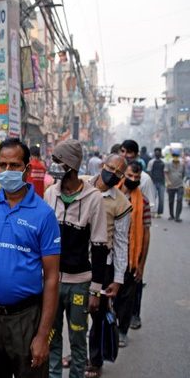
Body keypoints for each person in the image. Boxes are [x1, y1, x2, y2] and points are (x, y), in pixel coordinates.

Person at [0, 138, 60, 378]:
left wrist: (42, 335)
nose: (8, 171)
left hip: (27, 318)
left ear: (27, 169)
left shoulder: (44, 215)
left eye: (14, 165)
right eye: (3, 165)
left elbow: (51, 278)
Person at [44, 139, 109, 378]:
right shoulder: (50, 194)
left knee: (78, 339)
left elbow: (100, 246)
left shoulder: (94, 199)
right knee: (51, 337)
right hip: (51, 282)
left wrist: (96, 291)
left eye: (57, 161)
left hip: (80, 284)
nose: (53, 165)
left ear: (70, 165)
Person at [84, 154, 131, 378]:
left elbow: (121, 242)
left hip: (103, 266)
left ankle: (95, 360)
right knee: (74, 311)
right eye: (111, 168)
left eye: (119, 173)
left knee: (98, 314)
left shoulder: (121, 203)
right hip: (76, 261)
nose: (113, 174)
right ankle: (77, 352)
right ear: (103, 165)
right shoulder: (82, 184)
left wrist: (118, 279)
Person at [116, 161, 151, 346]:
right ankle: (105, 329)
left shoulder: (143, 202)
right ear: (123, 175)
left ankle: (122, 331)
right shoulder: (112, 195)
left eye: (136, 177)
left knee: (126, 297)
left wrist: (141, 265)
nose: (133, 179)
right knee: (107, 295)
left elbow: (145, 234)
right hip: (110, 254)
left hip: (131, 257)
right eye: (130, 175)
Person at [119, 140, 156, 212]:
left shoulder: (145, 178)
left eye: (129, 152)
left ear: (136, 155)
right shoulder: (115, 173)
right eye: (122, 151)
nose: (124, 155)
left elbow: (150, 207)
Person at [165, 148, 185, 222]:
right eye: (174, 156)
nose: (175, 157)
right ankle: (171, 215)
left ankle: (177, 216)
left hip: (180, 185)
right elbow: (166, 173)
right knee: (171, 201)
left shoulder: (182, 164)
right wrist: (168, 181)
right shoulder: (168, 163)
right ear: (172, 156)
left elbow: (183, 174)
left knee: (179, 200)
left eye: (177, 156)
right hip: (171, 185)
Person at [147, 147, 166, 218]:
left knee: (161, 199)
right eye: (156, 152)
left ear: (160, 153)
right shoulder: (151, 162)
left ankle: (159, 213)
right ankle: (153, 212)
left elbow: (165, 172)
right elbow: (149, 171)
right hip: (153, 182)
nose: (157, 153)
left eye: (158, 152)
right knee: (153, 198)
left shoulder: (163, 162)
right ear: (154, 153)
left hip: (162, 182)